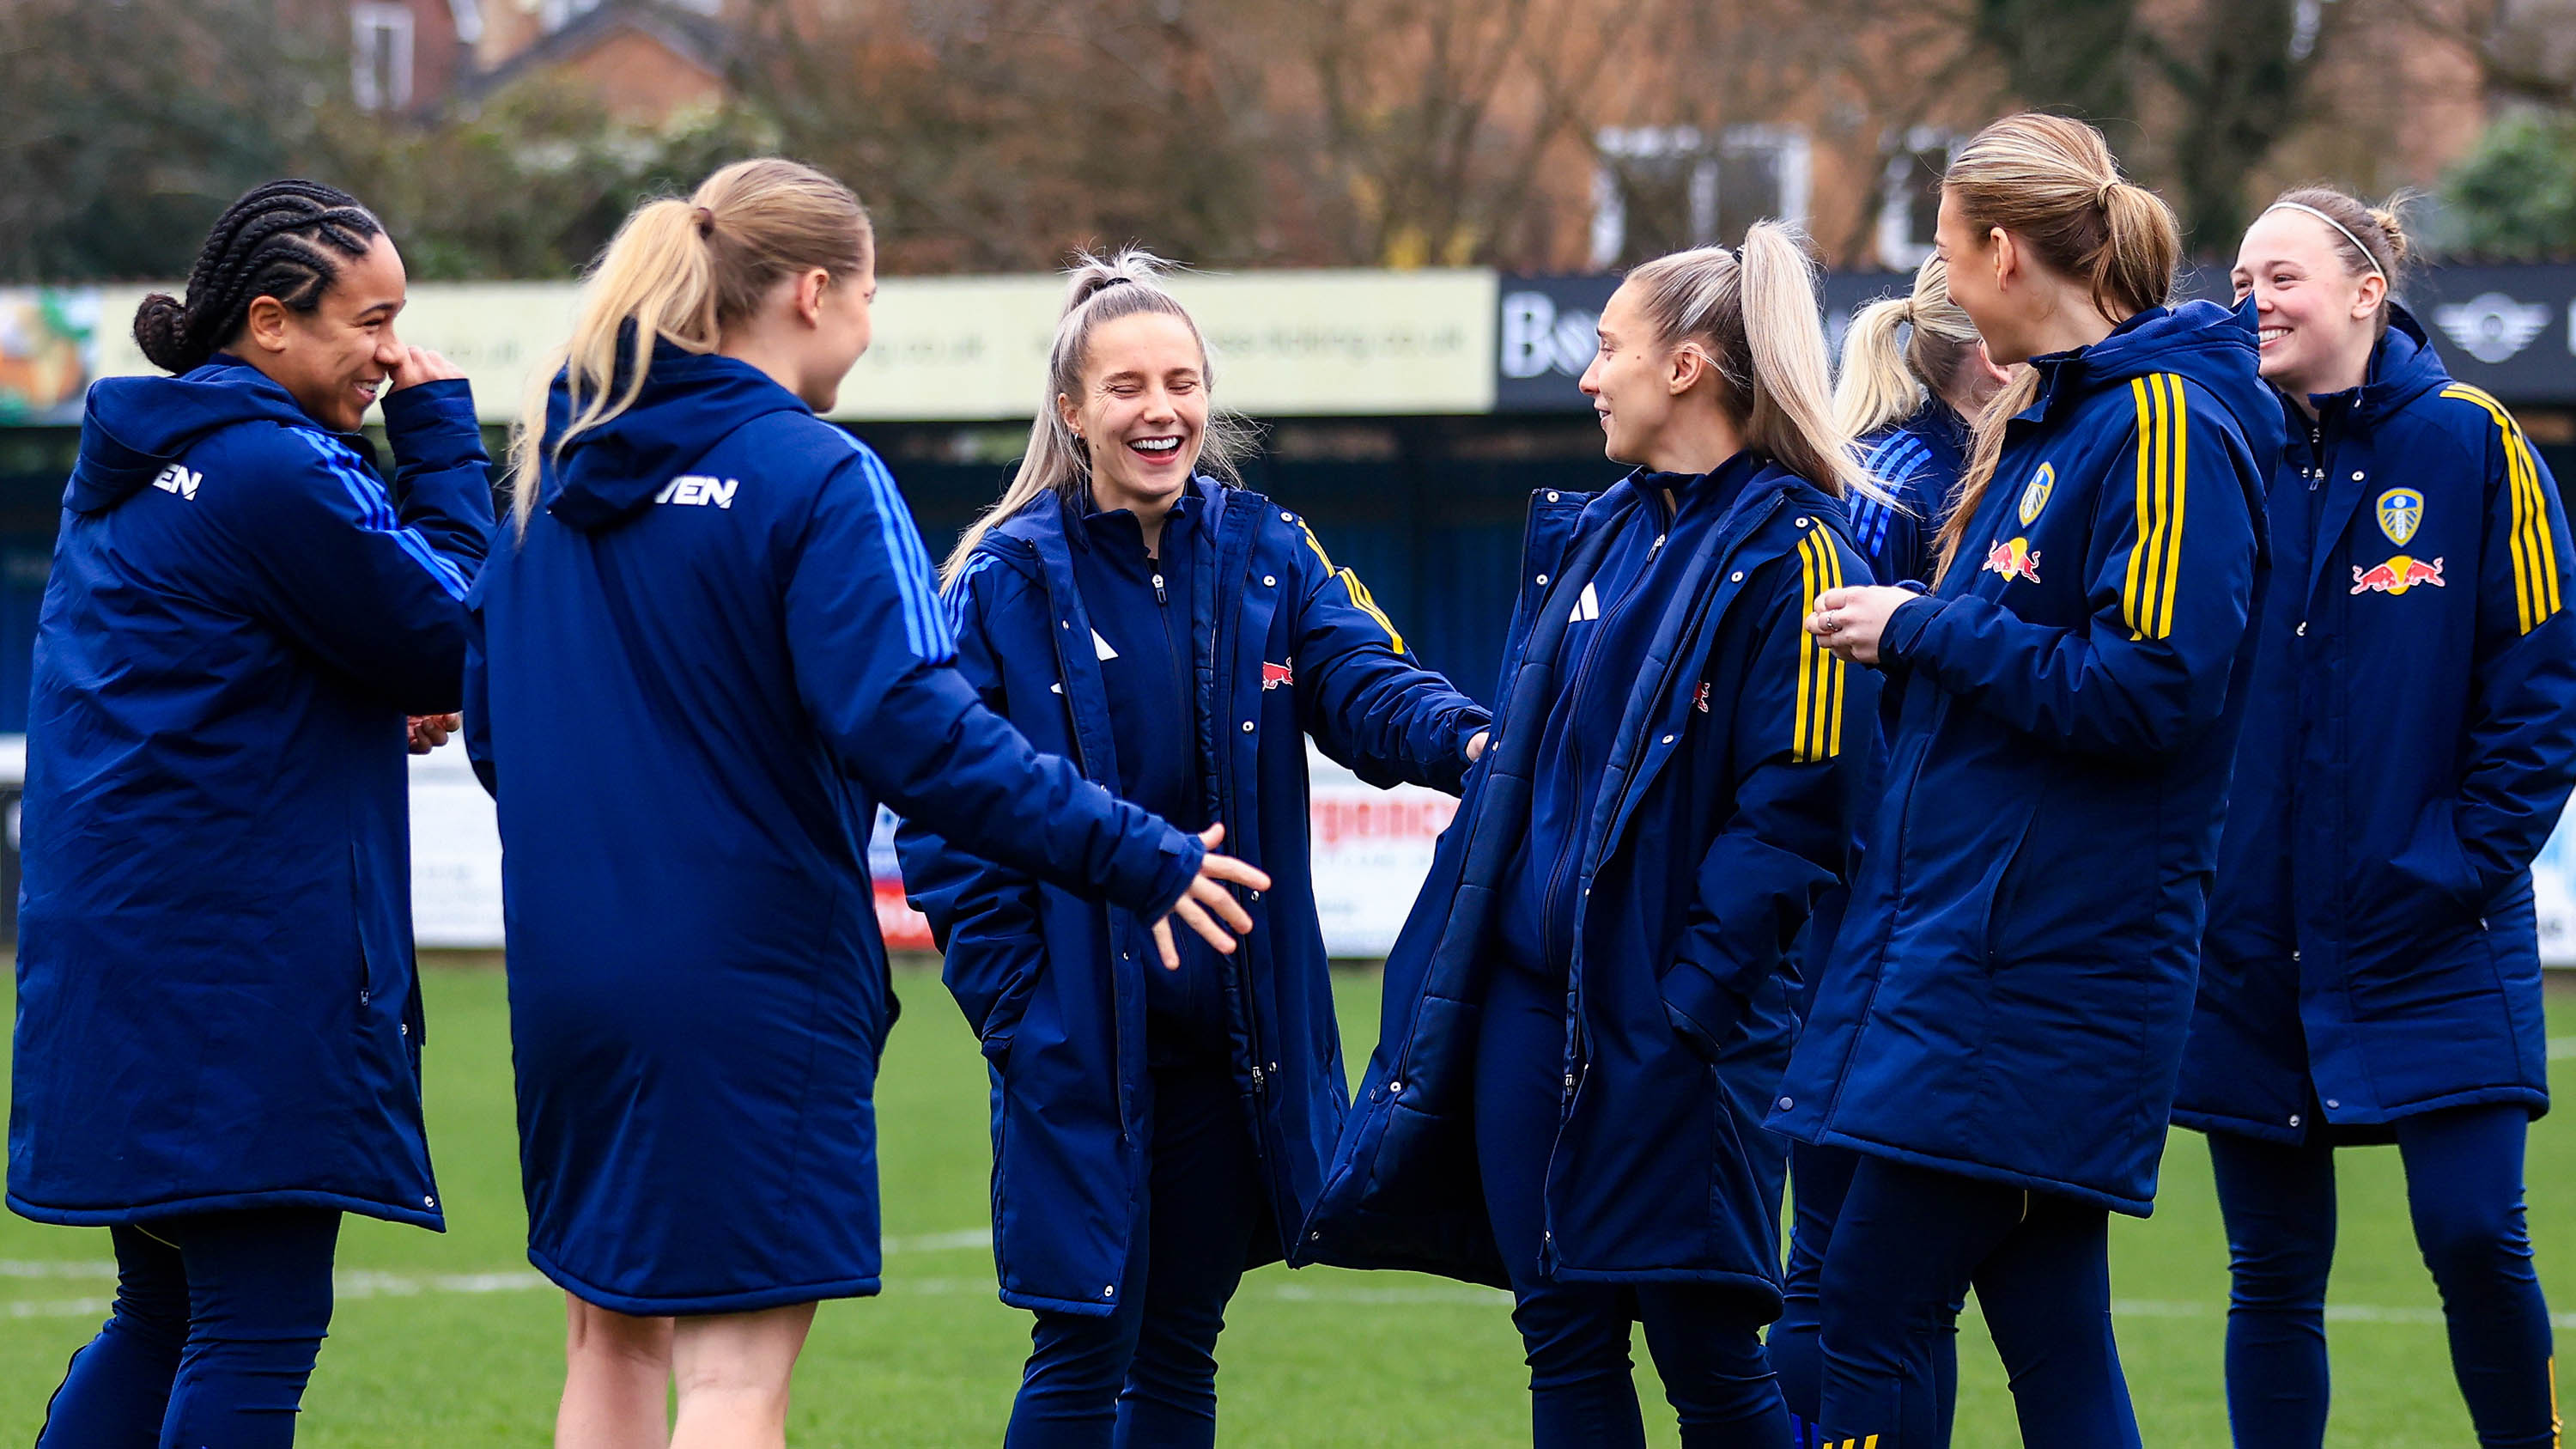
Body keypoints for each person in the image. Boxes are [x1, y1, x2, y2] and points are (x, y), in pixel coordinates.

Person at [463, 161, 1267, 1449]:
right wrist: (1140, 854)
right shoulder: (815, 474)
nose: (873, 325)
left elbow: (499, 737)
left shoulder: (544, 475)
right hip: (746, 979)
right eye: (874, 293)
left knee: (607, 1341)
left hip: (565, 981)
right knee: (731, 1380)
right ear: (817, 291)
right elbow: (920, 733)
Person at [1298, 222, 1882, 1448]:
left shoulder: (1796, 546)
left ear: (1686, 367)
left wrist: (1686, 1009)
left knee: (1711, 1361)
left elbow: (1803, 802)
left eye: (1607, 347)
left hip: (1674, 1027)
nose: (1587, 373)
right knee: (1560, 1338)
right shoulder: (1595, 532)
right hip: (1523, 1011)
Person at [897, 251, 1491, 1449]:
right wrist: (1022, 1014)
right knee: (1079, 1345)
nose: (1160, 408)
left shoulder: (1267, 548)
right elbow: (944, 815)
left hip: (1237, 1048)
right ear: (1073, 410)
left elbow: (1367, 684)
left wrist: (1476, 744)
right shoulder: (1006, 577)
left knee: (1180, 1346)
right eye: (1126, 386)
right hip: (1080, 1044)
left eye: (1182, 381)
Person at [1770, 113, 2282, 1446]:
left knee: (1864, 1311)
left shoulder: (2164, 415)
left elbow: (2156, 688)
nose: (1938, 279)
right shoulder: (2059, 423)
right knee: (2051, 1340)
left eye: (1945, 247)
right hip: (1978, 967)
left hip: (2043, 976)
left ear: (2003, 252)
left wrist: (1918, 628)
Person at [11, 179, 490, 1447]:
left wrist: (346, 695)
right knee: (254, 1326)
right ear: (271, 323)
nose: (394, 355)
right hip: (239, 975)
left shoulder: (144, 455)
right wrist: (444, 442)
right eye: (372, 322)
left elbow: (220, 672)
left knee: (163, 1309)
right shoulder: (271, 466)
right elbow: (457, 635)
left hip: (130, 965)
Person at [2172, 187, 2571, 1449]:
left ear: (2364, 292)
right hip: (2254, 947)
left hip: (2431, 931)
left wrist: (2449, 867)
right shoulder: (2227, 449)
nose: (2255, 302)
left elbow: (2543, 689)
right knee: (2271, 1271)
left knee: (2471, 1234)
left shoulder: (2468, 441)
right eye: (2240, 281)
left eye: (2281, 277)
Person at [1769, 250, 2012, 1446]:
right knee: (1842, 1273)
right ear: (1988, 350)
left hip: (1895, 905)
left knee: (1864, 1279)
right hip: (1876, 903)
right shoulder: (1913, 486)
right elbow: (1837, 709)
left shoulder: (1928, 469)